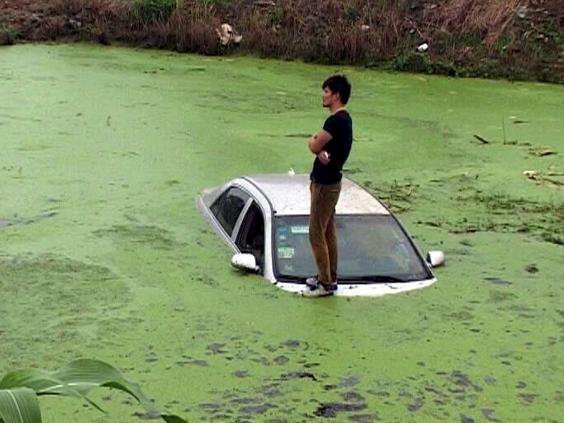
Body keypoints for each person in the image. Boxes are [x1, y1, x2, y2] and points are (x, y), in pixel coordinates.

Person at [303, 74, 353, 297]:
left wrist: (313, 141)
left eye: (326, 92)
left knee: (316, 233)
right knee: (328, 231)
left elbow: (314, 145)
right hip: (332, 181)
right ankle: (330, 276)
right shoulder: (347, 120)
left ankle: (325, 283)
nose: (323, 95)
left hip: (325, 184)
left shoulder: (335, 121)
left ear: (337, 95)